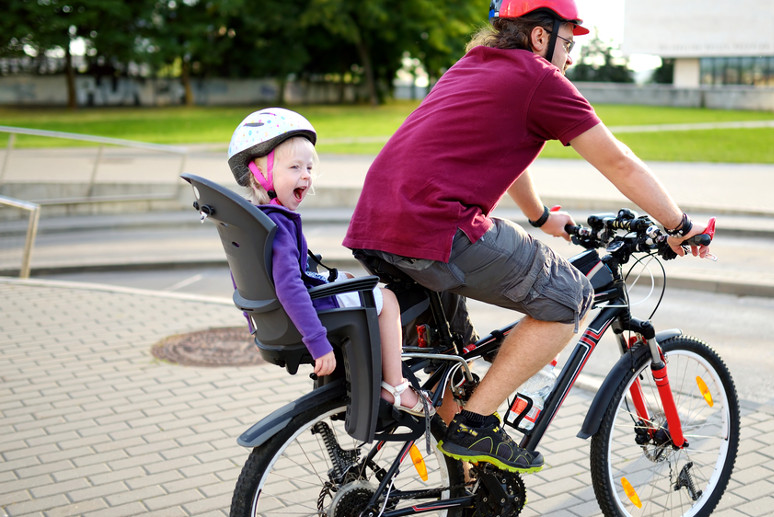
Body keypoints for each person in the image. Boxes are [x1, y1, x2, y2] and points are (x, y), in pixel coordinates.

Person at [344, 0, 712, 474]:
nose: (571, 55)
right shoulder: (540, 78)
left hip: (376, 228)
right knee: (569, 297)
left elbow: (502, 148)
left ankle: (473, 485)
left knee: (455, 362)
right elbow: (616, 160)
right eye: (569, 41)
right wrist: (681, 226)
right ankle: (475, 424)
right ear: (541, 36)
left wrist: (539, 217)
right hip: (437, 228)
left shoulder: (473, 65)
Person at [227, 107, 432, 416]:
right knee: (388, 300)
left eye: (309, 167)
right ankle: (396, 386)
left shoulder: (254, 220)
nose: (306, 175)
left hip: (278, 317)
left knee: (353, 282)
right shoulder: (279, 227)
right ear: (259, 174)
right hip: (309, 311)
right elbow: (290, 285)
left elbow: (242, 277)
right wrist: (318, 342)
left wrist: (253, 321)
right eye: (295, 167)